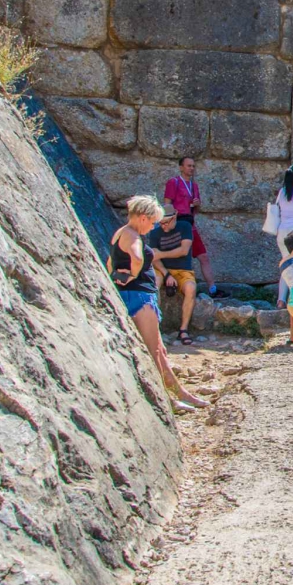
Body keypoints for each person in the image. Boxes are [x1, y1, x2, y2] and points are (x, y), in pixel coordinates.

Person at [110, 196, 207, 414]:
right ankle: (172, 398)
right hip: (140, 297)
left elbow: (110, 262)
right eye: (153, 222)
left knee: (160, 349)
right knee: (155, 352)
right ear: (143, 218)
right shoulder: (133, 236)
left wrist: (117, 276)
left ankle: (179, 393)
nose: (154, 226)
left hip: (134, 294)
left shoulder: (120, 232)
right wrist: (133, 274)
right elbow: (136, 258)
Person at [163, 157, 219, 297]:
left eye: (193, 166)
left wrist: (197, 204)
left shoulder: (194, 186)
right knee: (179, 256)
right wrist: (171, 223)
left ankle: (213, 289)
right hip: (178, 224)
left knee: (203, 256)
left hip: (190, 224)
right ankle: (175, 285)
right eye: (188, 166)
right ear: (181, 167)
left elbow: (196, 210)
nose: (191, 168)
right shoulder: (173, 182)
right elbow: (167, 204)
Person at [148, 202, 197, 346]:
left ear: (174, 216)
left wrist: (161, 254)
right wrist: (166, 274)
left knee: (191, 288)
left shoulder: (184, 227)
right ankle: (154, 326)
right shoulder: (155, 233)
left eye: (165, 223)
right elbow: (154, 259)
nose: (163, 226)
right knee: (154, 284)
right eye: (160, 223)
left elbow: (183, 250)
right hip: (162, 269)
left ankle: (183, 329)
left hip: (183, 270)